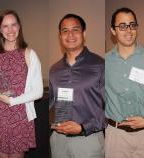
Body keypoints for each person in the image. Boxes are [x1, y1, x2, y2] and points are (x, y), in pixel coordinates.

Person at [105, 7, 144, 158]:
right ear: (113, 30)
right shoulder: (104, 62)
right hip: (116, 137)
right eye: (122, 26)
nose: (128, 30)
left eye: (132, 25)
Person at [49, 14, 106, 158]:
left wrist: (82, 128)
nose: (70, 35)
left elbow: (111, 108)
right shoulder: (54, 69)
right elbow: (51, 105)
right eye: (65, 31)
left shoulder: (100, 65)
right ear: (60, 36)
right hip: (59, 140)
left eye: (75, 29)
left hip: (88, 141)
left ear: (84, 33)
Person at [0, 10, 43, 158]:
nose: (10, 30)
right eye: (5, 26)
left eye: (13, 25)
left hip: (19, 114)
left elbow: (38, 91)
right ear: (0, 30)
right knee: (1, 155)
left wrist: (12, 101)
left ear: (19, 27)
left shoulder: (29, 53)